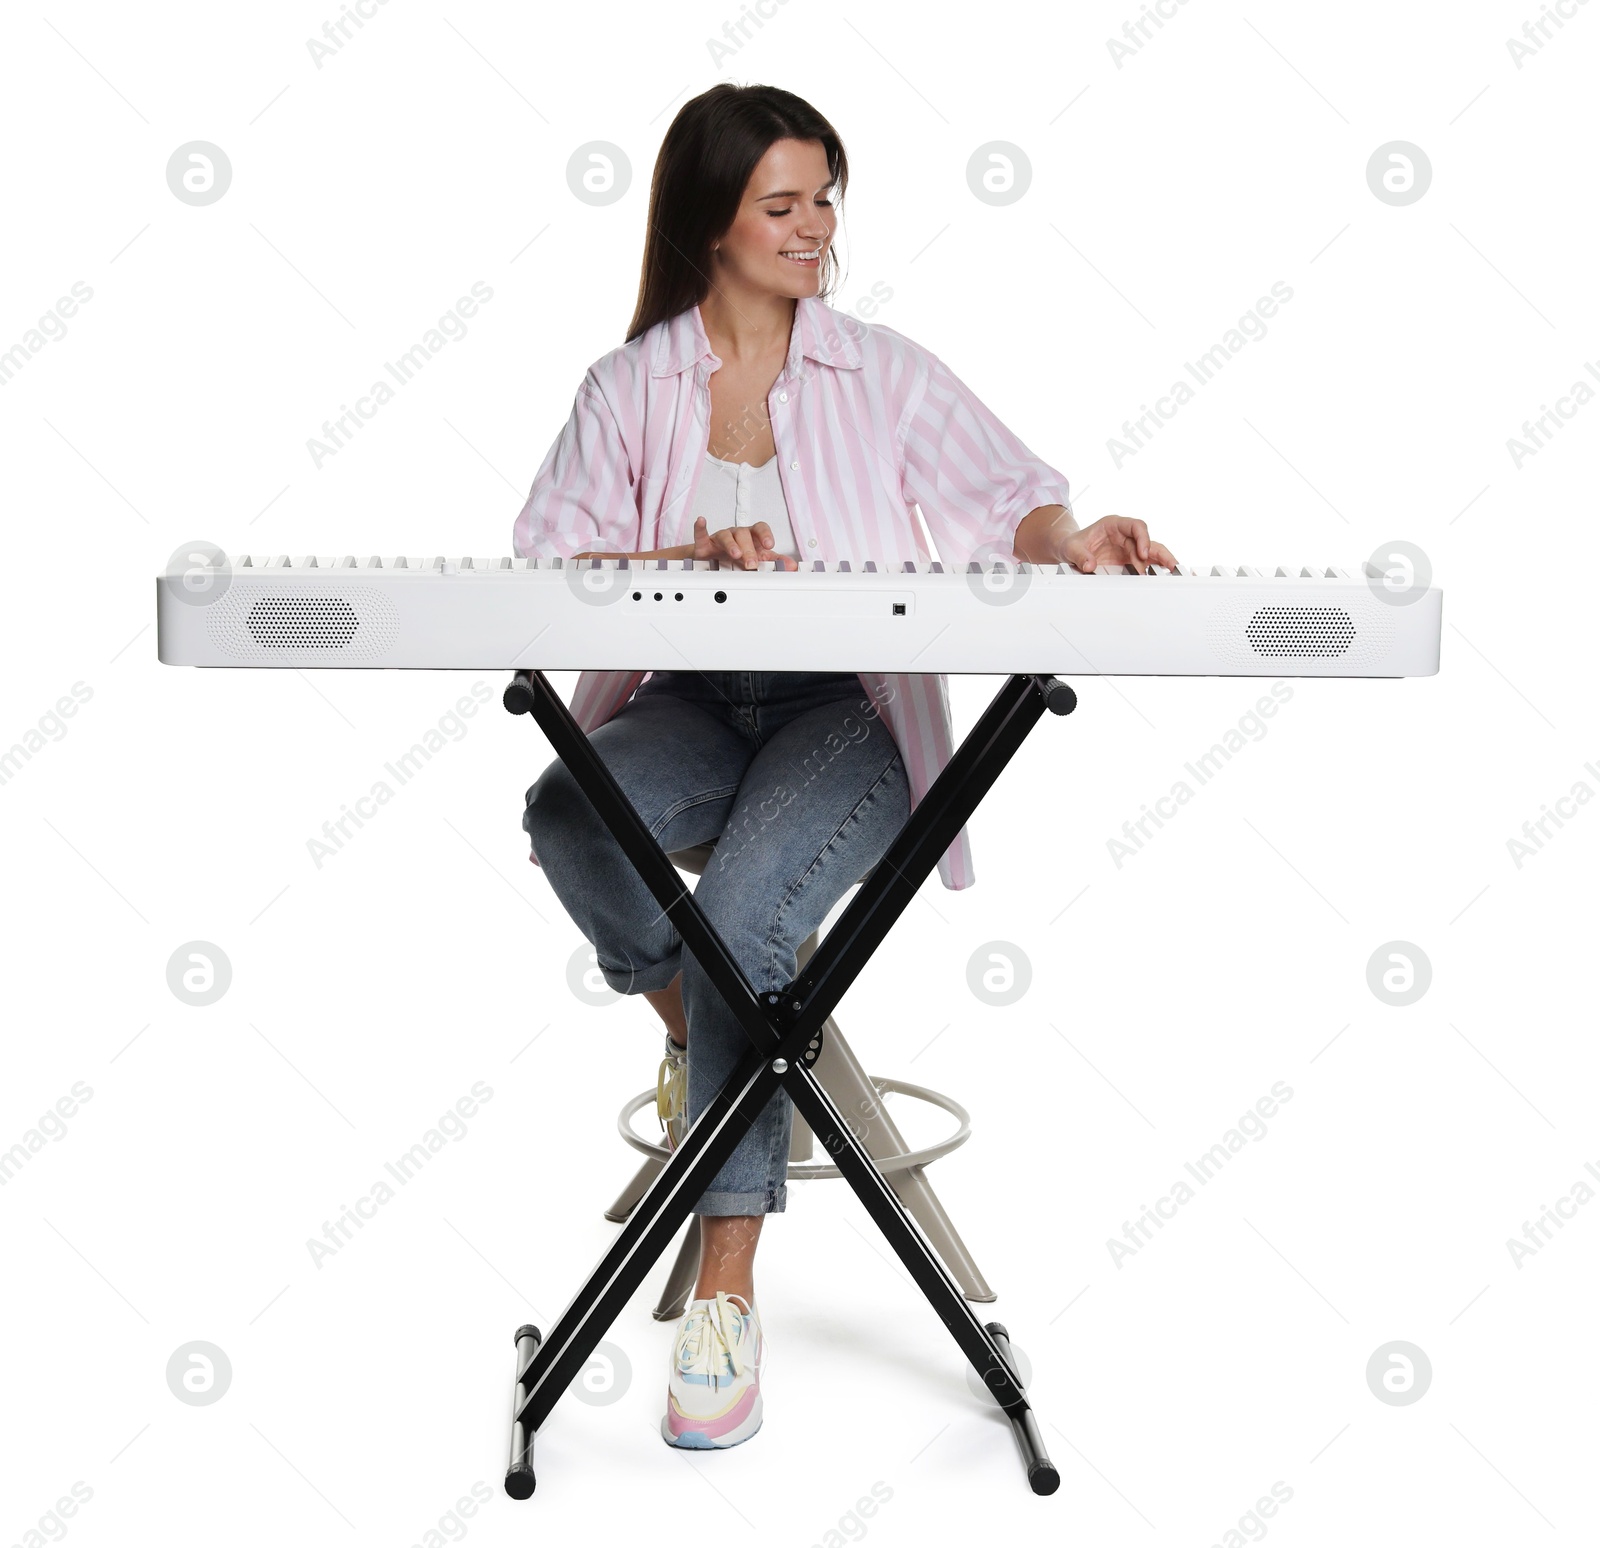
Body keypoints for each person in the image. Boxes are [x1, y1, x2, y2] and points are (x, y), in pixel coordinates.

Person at [514, 82, 1177, 1452]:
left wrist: (1080, 535)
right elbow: (548, 559)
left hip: (845, 716)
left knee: (748, 922)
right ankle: (724, 1055)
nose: (817, 227)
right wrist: (681, 555)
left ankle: (726, 1292)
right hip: (692, 704)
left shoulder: (879, 370)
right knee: (569, 808)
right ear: (710, 219)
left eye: (826, 198)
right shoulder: (629, 388)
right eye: (783, 204)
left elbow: (1012, 498)